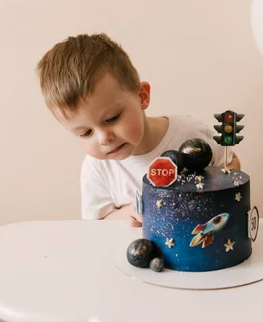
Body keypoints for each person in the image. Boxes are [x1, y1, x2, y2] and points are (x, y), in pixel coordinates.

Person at [36, 33, 240, 226]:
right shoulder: (97, 168)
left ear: (142, 96)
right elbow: (95, 225)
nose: (104, 138)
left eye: (112, 118)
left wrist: (210, 191)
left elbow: (230, 164)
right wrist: (128, 214)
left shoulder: (190, 134)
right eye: (85, 133)